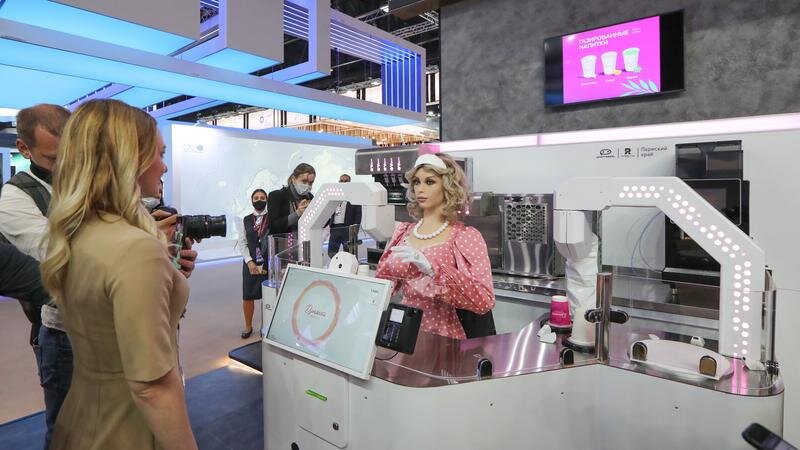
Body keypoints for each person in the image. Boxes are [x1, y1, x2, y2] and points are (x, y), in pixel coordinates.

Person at [41, 99, 198, 450]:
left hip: (80, 416)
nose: (164, 166)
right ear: (130, 159)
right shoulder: (136, 249)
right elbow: (152, 387)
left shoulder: (74, 232)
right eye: (159, 154)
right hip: (127, 429)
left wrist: (168, 277)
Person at [0, 104, 72, 449]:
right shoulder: (14, 197)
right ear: (23, 149)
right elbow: (59, 257)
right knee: (66, 430)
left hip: (109, 322)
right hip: (61, 332)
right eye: (54, 158)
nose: (67, 165)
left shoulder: (86, 182)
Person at [375, 153, 495, 339]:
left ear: (447, 186)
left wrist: (434, 270)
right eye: (417, 182)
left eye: (430, 182)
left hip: (444, 336)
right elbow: (383, 287)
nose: (420, 189)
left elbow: (484, 300)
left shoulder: (465, 236)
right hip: (404, 332)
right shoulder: (403, 232)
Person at [235, 189, 269, 338]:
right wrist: (249, 261)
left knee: (267, 296)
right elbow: (242, 242)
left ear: (267, 200)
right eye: (256, 198)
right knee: (248, 296)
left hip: (268, 262)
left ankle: (265, 326)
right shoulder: (246, 220)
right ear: (251, 200)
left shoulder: (272, 218)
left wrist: (269, 263)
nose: (259, 200)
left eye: (262, 197)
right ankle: (248, 327)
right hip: (250, 262)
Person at [267, 162, 316, 235]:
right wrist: (297, 213)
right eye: (304, 181)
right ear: (293, 179)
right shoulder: (276, 196)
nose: (307, 185)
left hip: (306, 240)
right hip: (283, 241)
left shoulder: (310, 197)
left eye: (311, 183)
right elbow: (273, 227)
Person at [326, 174, 362, 258]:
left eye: (346, 181)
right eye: (341, 181)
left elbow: (358, 214)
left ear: (350, 183)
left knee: (350, 254)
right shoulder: (334, 196)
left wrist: (355, 229)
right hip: (335, 229)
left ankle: (347, 266)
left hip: (348, 229)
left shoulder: (354, 197)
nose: (343, 183)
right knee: (331, 252)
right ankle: (336, 265)